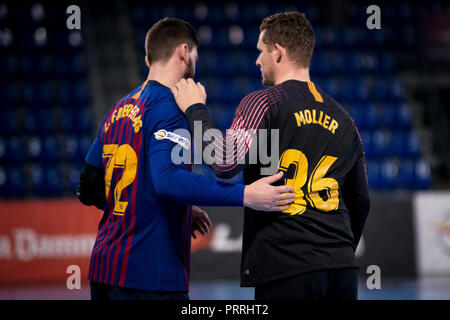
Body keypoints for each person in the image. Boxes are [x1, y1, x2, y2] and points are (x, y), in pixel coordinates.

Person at [77, 17, 296, 300]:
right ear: (183, 51)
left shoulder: (116, 110)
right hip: (148, 275)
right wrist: (245, 194)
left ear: (148, 59)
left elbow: (88, 188)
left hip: (104, 270)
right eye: (195, 53)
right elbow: (166, 180)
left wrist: (167, 208)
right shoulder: (171, 106)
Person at [172, 12, 371, 300]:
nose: (257, 60)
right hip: (341, 268)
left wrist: (195, 109)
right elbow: (361, 200)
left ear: (277, 51)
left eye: (260, 51)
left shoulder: (264, 102)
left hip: (285, 265)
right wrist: (336, 251)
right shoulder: (346, 119)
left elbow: (223, 162)